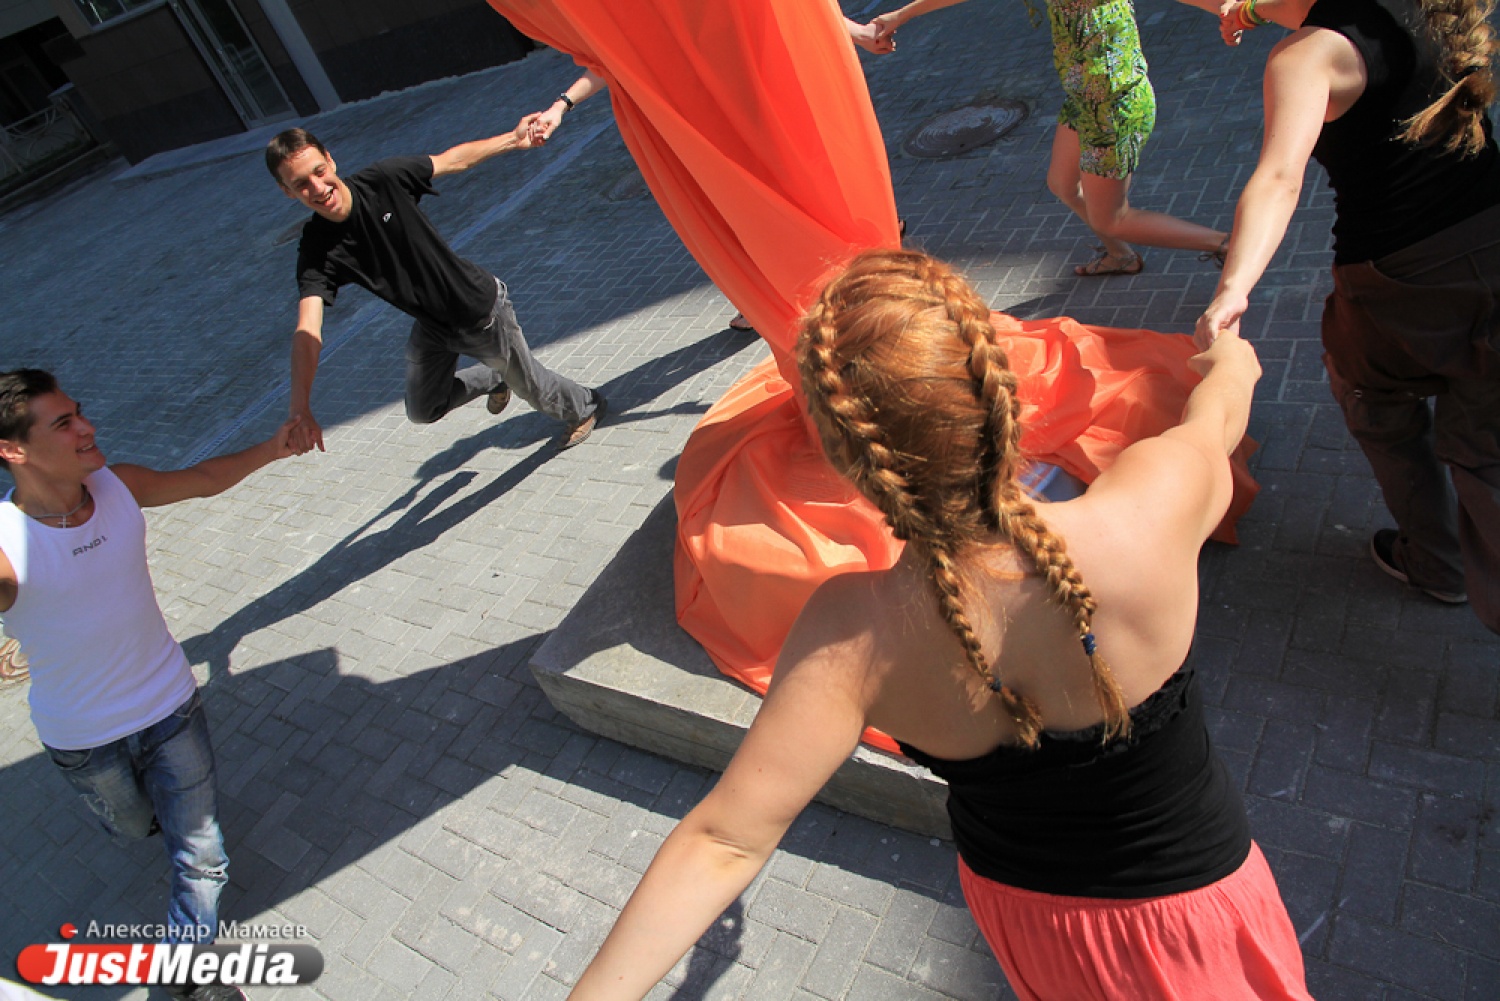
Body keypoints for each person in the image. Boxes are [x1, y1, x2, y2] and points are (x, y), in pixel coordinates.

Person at [568, 250, 1309, 1000]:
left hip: (1030, 923)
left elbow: (724, 840)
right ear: (1003, 391)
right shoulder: (1148, 509)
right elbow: (1216, 414)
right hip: (1198, 911)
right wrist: (1230, 356)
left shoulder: (849, 632)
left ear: (847, 462)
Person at [1197, 0, 1500, 630]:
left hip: (1398, 281)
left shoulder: (1309, 56)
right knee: (1485, 437)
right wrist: (1248, 10)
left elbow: (1279, 179)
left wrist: (1233, 288)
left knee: (1373, 400)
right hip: (1490, 235)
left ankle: (1438, 562)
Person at [0, 369, 301, 1001]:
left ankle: (184, 976)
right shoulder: (7, 546)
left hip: (170, 707)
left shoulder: (118, 486)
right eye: (64, 424)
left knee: (202, 857)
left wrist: (273, 448)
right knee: (137, 827)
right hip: (84, 740)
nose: (88, 428)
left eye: (79, 412)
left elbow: (204, 478)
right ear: (13, 450)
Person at [268, 119, 606, 455]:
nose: (318, 188)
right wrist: (299, 408)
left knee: (533, 388)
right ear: (287, 191)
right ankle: (496, 378)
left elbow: (451, 160)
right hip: (433, 326)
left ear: (330, 160)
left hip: (479, 311)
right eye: (301, 184)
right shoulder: (317, 248)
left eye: (319, 171)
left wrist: (513, 140)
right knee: (422, 408)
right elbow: (307, 329)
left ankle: (586, 405)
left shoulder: (382, 181)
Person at [869, 0, 1230, 275]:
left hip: (1114, 106)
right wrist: (901, 14)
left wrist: (1231, 10)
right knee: (1062, 184)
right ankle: (1121, 256)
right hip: (1084, 101)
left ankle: (1226, 244)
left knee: (1111, 218)